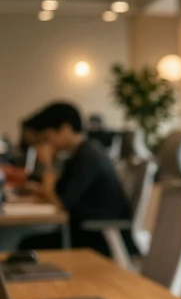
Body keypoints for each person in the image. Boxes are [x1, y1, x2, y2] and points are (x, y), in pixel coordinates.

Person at [20, 102, 134, 256]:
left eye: (48, 137)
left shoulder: (87, 156)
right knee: (28, 242)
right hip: (87, 231)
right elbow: (59, 193)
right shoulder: (81, 153)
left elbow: (60, 202)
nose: (47, 143)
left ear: (66, 128)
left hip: (98, 238)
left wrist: (47, 165)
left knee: (28, 245)